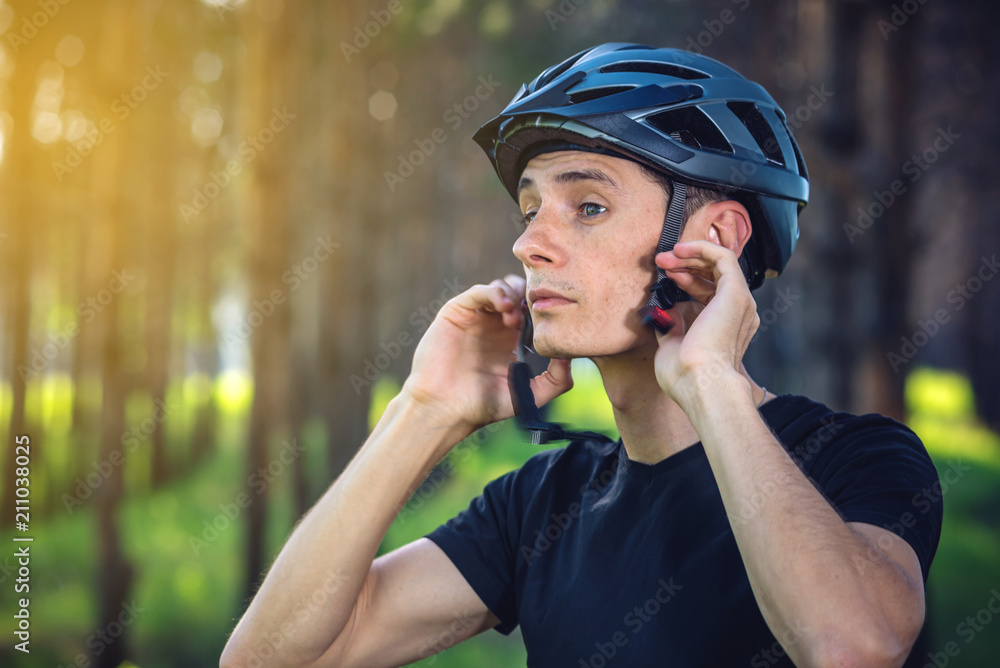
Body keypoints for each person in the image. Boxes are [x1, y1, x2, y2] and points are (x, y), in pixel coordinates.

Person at [221, 44, 943, 667]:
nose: (528, 244)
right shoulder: (542, 506)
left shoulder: (858, 459)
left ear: (718, 238)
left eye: (588, 207)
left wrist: (711, 382)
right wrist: (425, 409)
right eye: (530, 209)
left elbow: (851, 647)